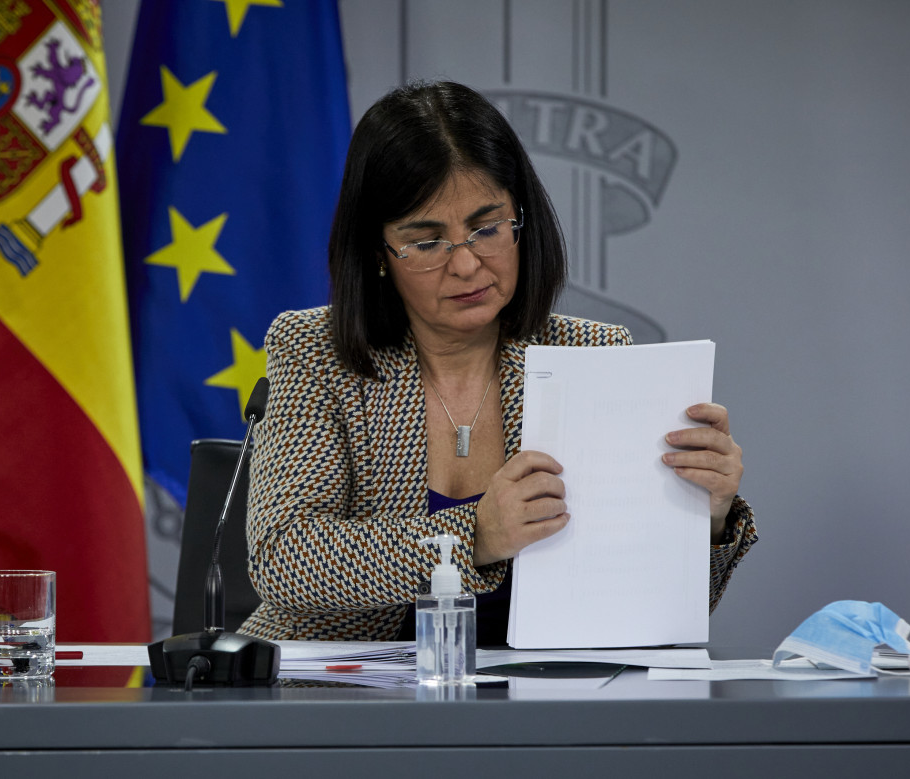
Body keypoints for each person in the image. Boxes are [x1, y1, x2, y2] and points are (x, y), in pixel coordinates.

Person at [238, 81, 756, 644]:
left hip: (546, 701)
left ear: (521, 222)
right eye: (427, 241)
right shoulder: (316, 351)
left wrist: (704, 519)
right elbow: (284, 557)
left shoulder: (593, 356)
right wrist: (476, 536)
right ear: (377, 254)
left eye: (487, 228)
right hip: (349, 698)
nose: (466, 264)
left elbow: (656, 607)